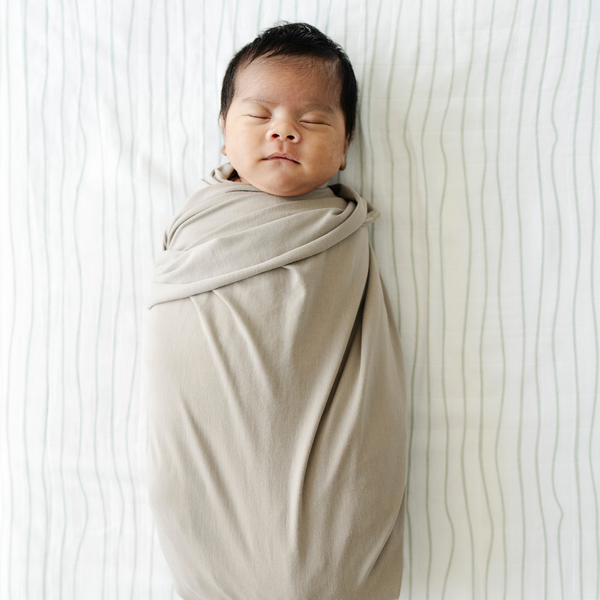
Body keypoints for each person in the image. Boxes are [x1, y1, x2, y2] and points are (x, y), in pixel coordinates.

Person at [146, 22, 407, 600]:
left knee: (326, 551)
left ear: (344, 146)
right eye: (259, 115)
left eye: (313, 120)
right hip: (206, 455)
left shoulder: (339, 228)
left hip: (327, 454)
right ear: (223, 132)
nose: (284, 130)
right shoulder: (198, 224)